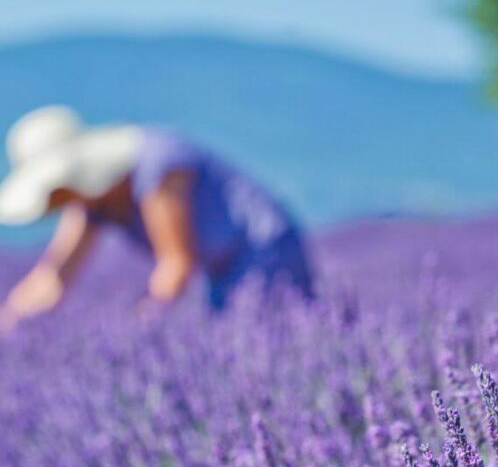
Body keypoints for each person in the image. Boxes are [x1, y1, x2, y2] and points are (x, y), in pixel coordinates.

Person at [0, 106, 313, 329]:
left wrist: (140, 327)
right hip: (221, 266)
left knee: (264, 339)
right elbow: (54, 275)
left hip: (264, 250)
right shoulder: (93, 201)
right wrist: (10, 319)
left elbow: (176, 264)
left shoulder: (158, 168)